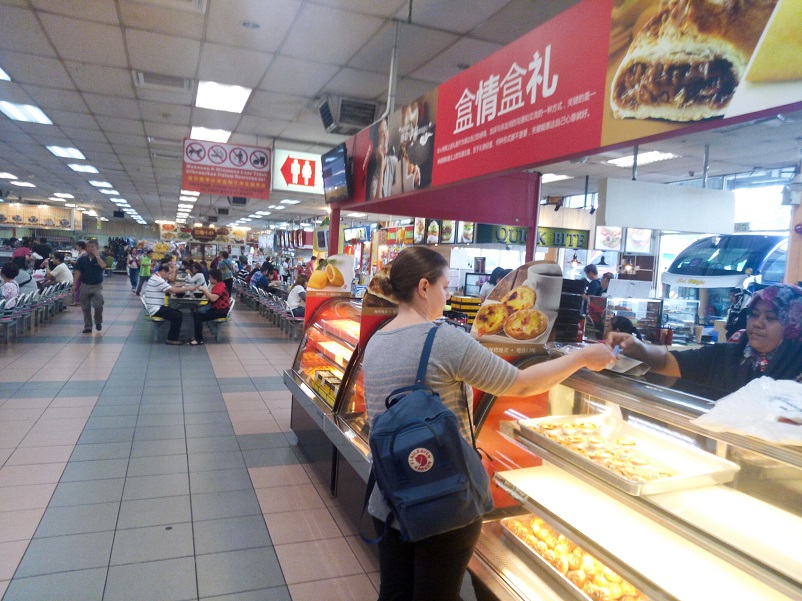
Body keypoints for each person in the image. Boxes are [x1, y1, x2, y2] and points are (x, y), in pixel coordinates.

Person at [361, 247, 614, 601]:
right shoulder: (442, 339)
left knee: (395, 594)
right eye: (444, 286)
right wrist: (583, 357)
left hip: (388, 496)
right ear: (423, 287)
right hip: (442, 499)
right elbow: (522, 383)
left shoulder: (376, 341)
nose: (447, 295)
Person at [606, 284, 802, 396]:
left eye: (770, 318)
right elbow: (668, 362)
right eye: (754, 314)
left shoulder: (797, 371)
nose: (758, 323)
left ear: (793, 325)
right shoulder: (726, 356)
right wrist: (637, 346)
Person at [143, 262, 197, 345]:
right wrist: (188, 288)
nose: (168, 276)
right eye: (168, 274)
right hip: (155, 308)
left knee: (177, 313)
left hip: (154, 306)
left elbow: (170, 288)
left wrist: (178, 287)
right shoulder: (158, 280)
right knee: (177, 315)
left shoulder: (155, 277)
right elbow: (172, 290)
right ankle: (171, 339)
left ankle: (173, 337)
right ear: (163, 271)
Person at [189, 268, 231, 346]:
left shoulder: (220, 286)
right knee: (197, 312)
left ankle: (199, 339)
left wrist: (204, 290)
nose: (209, 278)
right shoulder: (218, 285)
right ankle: (197, 337)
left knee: (197, 315)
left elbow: (212, 298)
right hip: (217, 309)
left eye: (210, 277)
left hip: (220, 311)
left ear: (215, 278)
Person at [73, 240, 106, 333]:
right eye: (88, 247)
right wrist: (74, 285)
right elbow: (77, 273)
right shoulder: (82, 260)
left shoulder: (101, 257)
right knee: (85, 307)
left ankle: (98, 321)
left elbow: (103, 266)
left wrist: (97, 256)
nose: (90, 249)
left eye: (92, 247)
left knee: (98, 305)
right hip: (85, 286)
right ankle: (88, 326)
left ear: (97, 248)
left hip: (97, 286)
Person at [72, 241, 87, 306]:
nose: (76, 247)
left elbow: (80, 264)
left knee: (78, 286)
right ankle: (78, 299)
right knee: (78, 286)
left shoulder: (83, 254)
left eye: (77, 246)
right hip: (81, 272)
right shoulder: (83, 253)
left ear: (80, 246)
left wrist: (72, 262)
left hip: (80, 272)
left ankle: (77, 300)